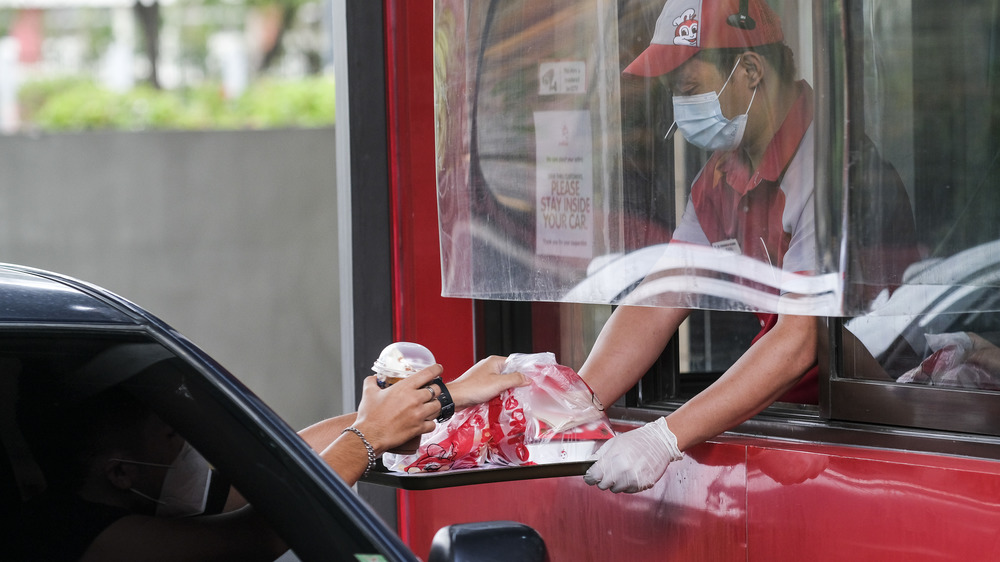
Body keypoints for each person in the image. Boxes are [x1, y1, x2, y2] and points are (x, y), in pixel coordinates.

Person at [581, 0, 918, 494]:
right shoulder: (722, 175)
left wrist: (664, 437)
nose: (681, 107)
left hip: (887, 425)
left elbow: (803, 338)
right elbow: (665, 295)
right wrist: (576, 403)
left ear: (752, 70)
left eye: (689, 89)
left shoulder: (830, 169)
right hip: (797, 417)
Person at [11, 356, 525, 561]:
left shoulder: (148, 497)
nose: (190, 450)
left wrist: (445, 396)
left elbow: (293, 455)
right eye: (172, 437)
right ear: (120, 472)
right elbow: (249, 537)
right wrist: (369, 436)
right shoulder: (67, 533)